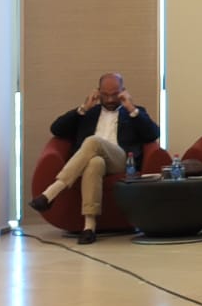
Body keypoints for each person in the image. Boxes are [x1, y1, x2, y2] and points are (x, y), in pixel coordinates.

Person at [30, 73, 161, 244]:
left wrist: (131, 109)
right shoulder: (89, 113)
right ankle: (89, 228)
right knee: (94, 163)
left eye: (115, 94)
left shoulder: (134, 112)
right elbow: (57, 129)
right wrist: (83, 108)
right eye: (105, 95)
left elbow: (153, 134)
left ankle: (51, 192)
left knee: (93, 141)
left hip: (120, 160)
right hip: (94, 160)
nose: (110, 99)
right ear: (98, 92)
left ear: (123, 91)